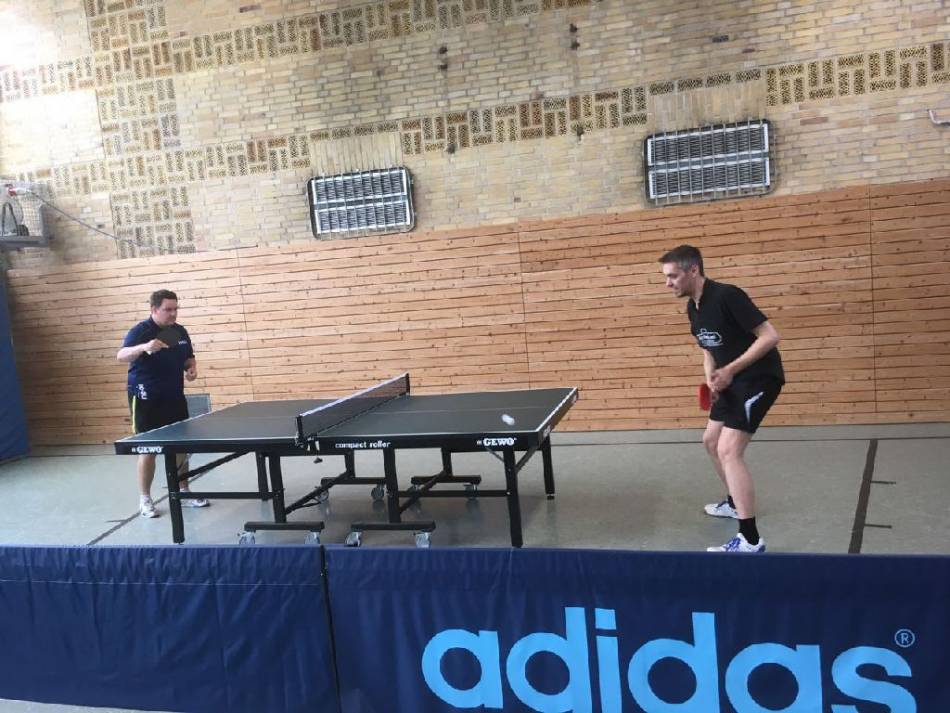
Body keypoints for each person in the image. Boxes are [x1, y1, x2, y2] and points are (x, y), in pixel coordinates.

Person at [659, 245, 784, 553]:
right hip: (730, 381)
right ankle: (734, 502)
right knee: (711, 440)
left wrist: (730, 370)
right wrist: (711, 377)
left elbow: (770, 336)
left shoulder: (728, 296)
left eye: (672, 276)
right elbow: (708, 350)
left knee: (729, 450)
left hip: (759, 378)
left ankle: (750, 539)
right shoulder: (694, 308)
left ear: (693, 270)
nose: (667, 283)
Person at [117, 289, 208, 517]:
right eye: (168, 309)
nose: (173, 313)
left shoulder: (177, 331)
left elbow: (188, 356)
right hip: (146, 400)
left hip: (174, 398)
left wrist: (191, 368)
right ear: (154, 309)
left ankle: (183, 491)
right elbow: (122, 355)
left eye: (176, 309)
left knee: (181, 447)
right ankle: (145, 500)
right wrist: (144, 347)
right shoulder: (142, 331)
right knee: (149, 449)